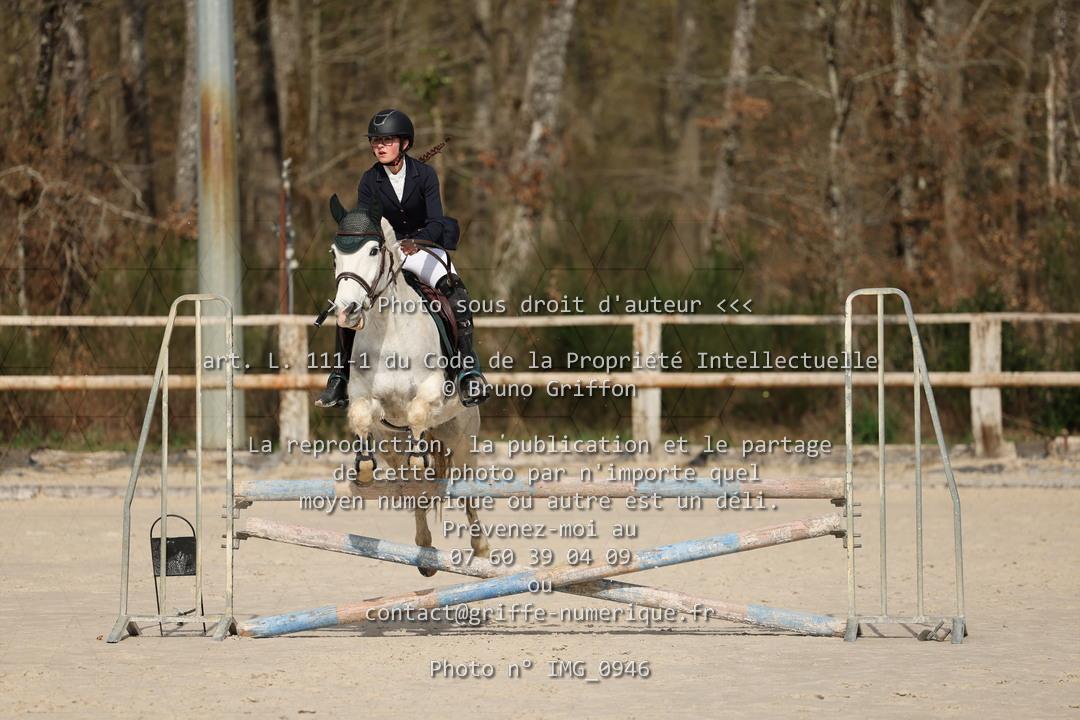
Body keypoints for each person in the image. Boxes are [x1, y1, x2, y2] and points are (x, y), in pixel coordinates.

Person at [316, 108, 489, 408]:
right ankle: (340, 376)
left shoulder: (426, 175)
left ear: (404, 143)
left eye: (387, 140)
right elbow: (367, 224)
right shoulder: (369, 180)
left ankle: (467, 370)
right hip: (387, 251)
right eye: (375, 141)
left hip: (424, 247)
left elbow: (436, 221)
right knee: (349, 299)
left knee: (457, 295)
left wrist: (415, 242)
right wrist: (386, 246)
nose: (379, 146)